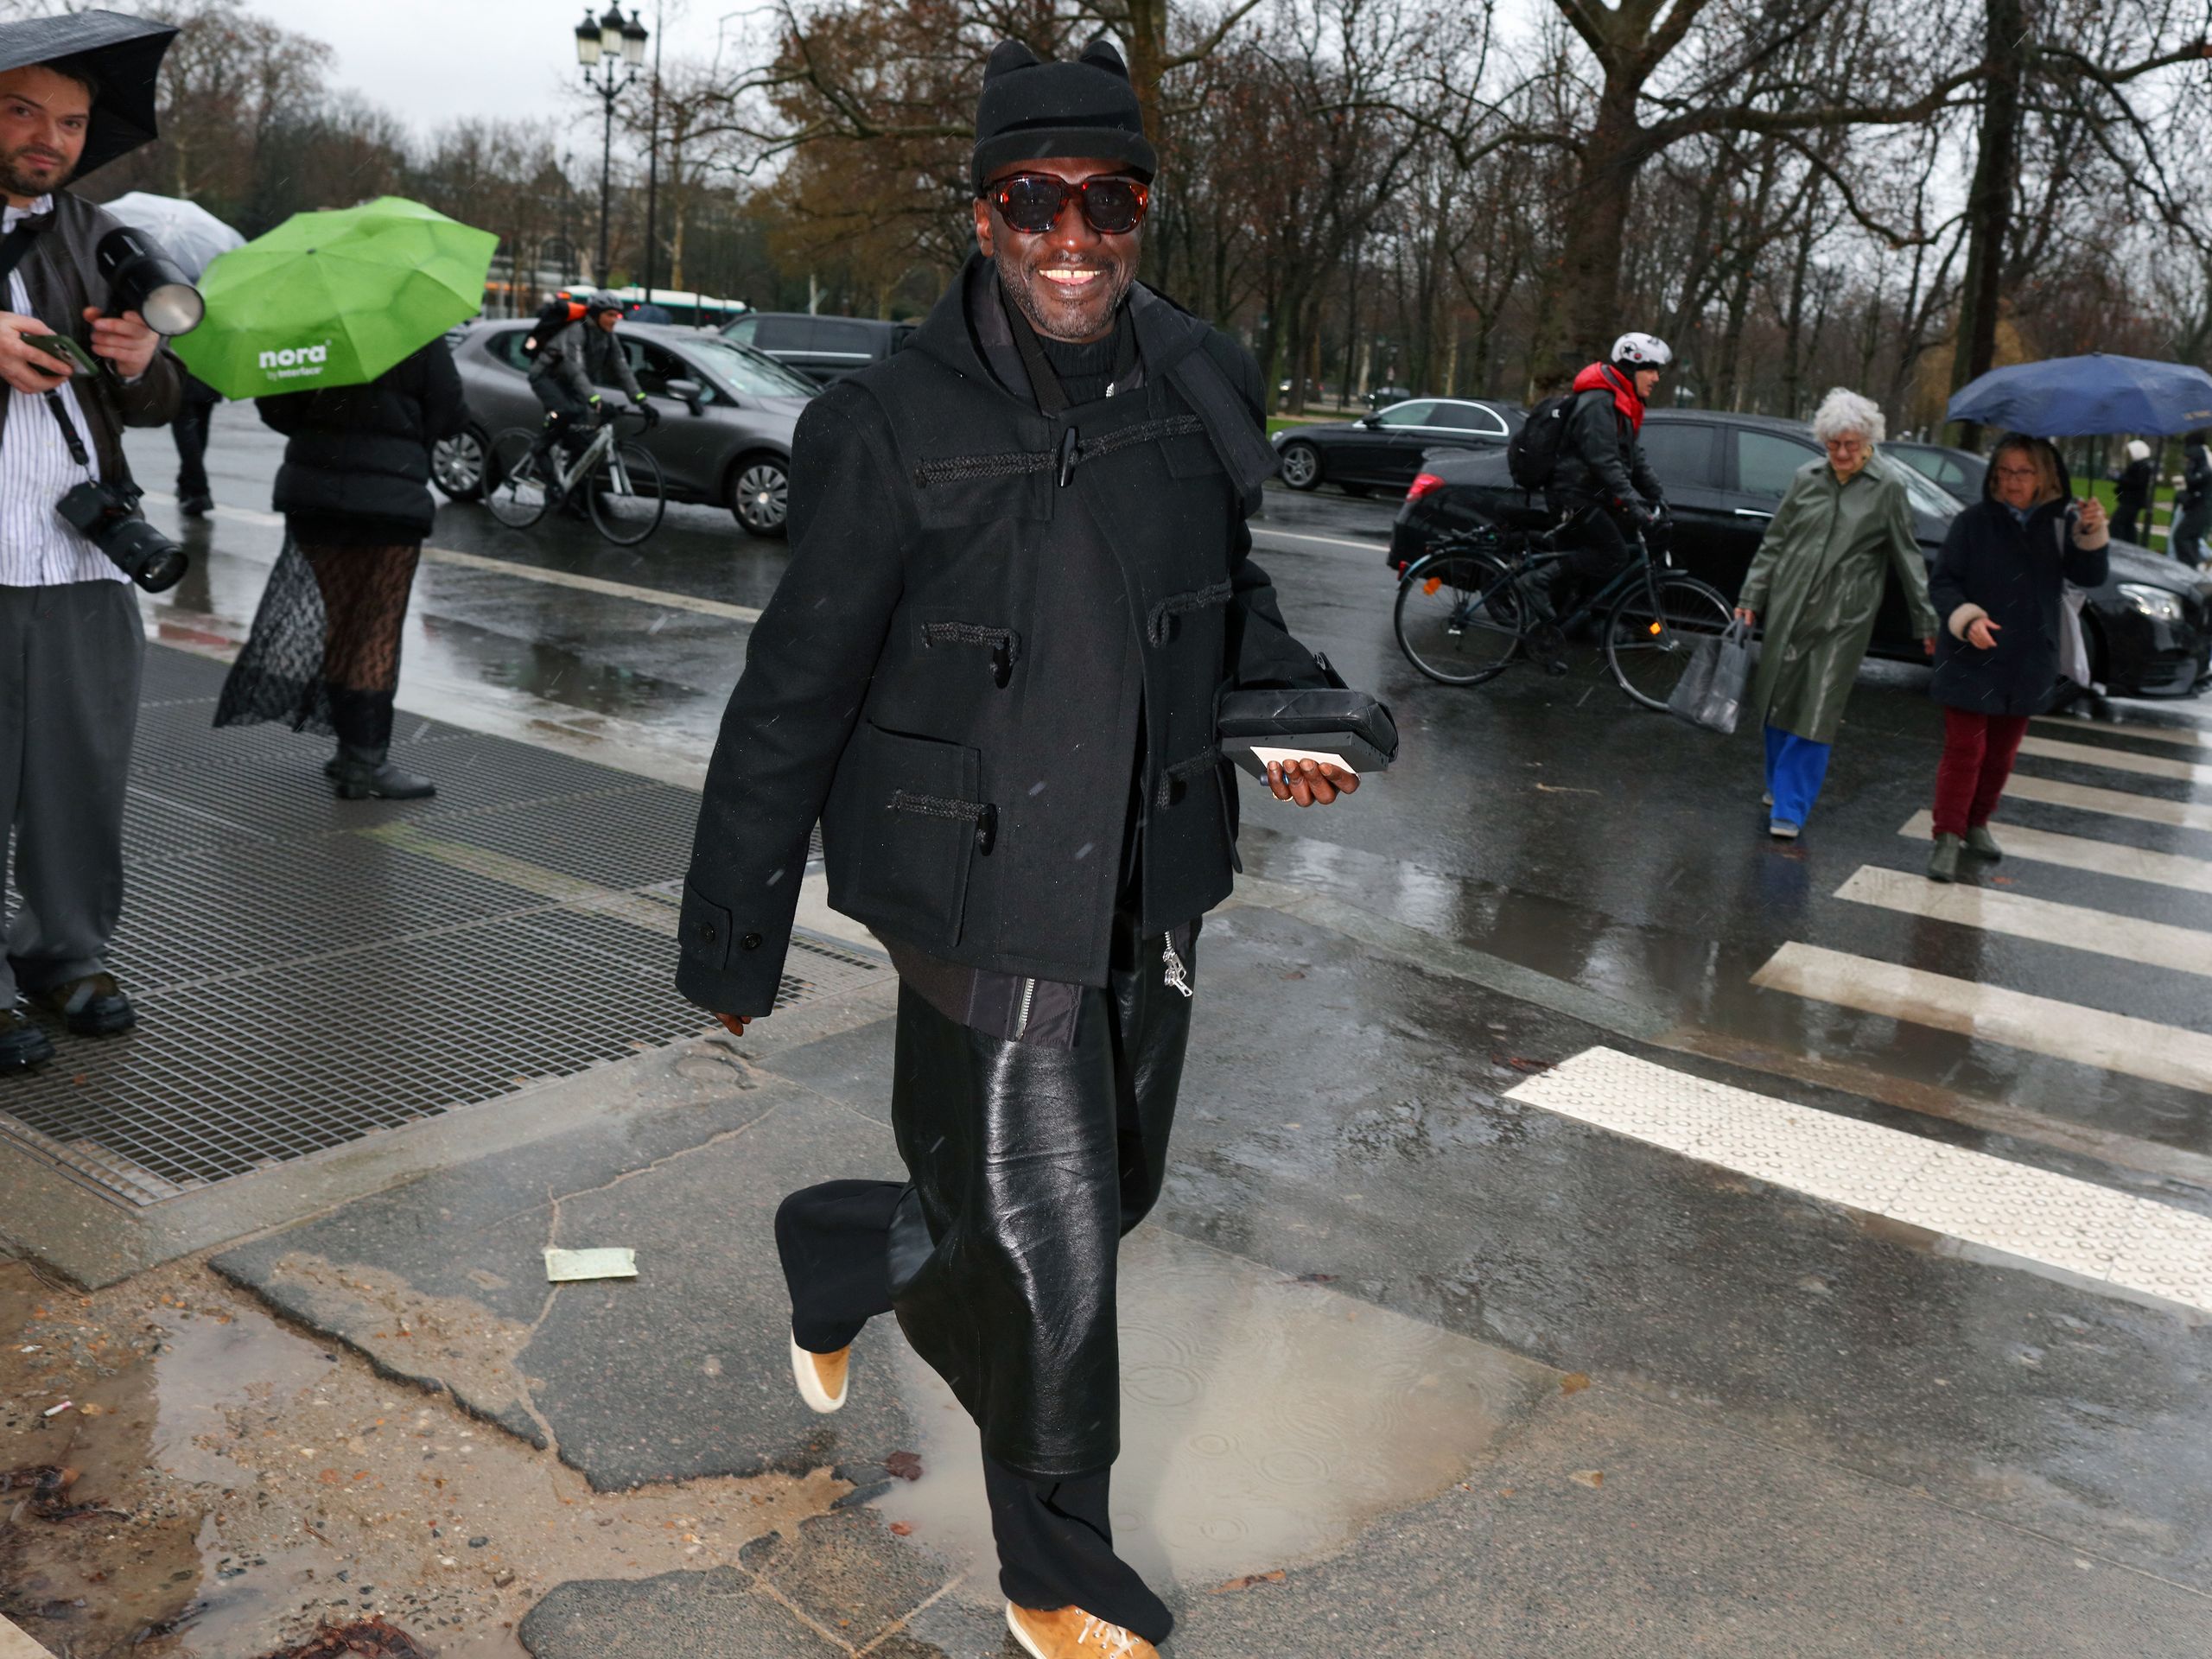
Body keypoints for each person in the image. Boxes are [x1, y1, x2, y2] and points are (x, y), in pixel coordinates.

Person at [675, 37, 1359, 1659]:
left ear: (1143, 212)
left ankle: (843, 1246)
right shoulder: (885, 421)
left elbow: (1228, 598)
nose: (1072, 237)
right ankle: (1056, 1569)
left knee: (1106, 1191)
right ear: (982, 214)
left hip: (1149, 863)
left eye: (1107, 201)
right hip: (974, 882)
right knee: (1054, 1251)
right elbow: (794, 691)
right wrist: (732, 938)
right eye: (1034, 199)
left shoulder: (1200, 376)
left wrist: (1291, 709)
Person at [0, 30, 182, 1069]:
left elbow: (158, 402)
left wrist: (143, 357)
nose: (51, 139)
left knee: (80, 777)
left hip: (80, 556)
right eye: (24, 111)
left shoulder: (101, 234)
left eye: (70, 122)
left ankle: (66, 956)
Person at [215, 339, 467, 799]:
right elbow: (450, 413)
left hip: (314, 494)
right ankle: (364, 760)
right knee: (375, 629)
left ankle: (352, 752)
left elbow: (278, 411)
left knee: (341, 619)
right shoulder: (414, 331)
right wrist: (405, 435)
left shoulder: (309, 331)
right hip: (389, 500)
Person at [1732, 389, 1936, 841]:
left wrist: (1925, 620)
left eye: (1851, 445)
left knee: (1817, 706)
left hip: (1845, 615)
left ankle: (1791, 807)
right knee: (1778, 697)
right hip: (1790, 604)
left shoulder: (1888, 487)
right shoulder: (1806, 478)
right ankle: (1778, 784)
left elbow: (1908, 556)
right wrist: (1751, 596)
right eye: (1833, 444)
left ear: (1868, 441)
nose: (1842, 453)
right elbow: (1775, 541)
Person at [1925, 435, 2108, 882]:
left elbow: (2091, 576)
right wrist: (1967, 618)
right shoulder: (1972, 522)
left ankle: (1977, 823)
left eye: (2023, 472)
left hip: (2027, 657)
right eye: (2004, 471)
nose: (2012, 481)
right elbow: (1943, 582)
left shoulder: (2061, 524)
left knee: (2000, 754)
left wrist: (2091, 533)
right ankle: (1947, 835)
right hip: (1970, 653)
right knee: (1965, 750)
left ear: (2043, 476)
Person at [1528, 330, 1671, 626]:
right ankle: (1536, 582)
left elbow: (1633, 458)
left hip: (1589, 493)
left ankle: (1550, 632)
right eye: (1650, 370)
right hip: (1573, 495)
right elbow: (1604, 461)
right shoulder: (1599, 403)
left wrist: (1657, 495)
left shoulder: (1620, 402)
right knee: (1613, 554)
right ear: (1630, 367)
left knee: (1580, 570)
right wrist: (1633, 505)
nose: (1656, 378)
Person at [526, 289, 654, 492]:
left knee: (583, 444)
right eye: (609, 315)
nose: (614, 320)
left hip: (570, 384)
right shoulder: (577, 330)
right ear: (595, 314)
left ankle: (565, 493)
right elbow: (576, 370)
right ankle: (540, 449)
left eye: (617, 315)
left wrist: (642, 402)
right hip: (546, 376)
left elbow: (622, 370)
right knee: (565, 411)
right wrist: (596, 401)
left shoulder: (608, 337)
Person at [170, 367, 219, 516]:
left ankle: (198, 490)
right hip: (211, 373)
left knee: (187, 430)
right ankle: (188, 482)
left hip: (182, 373)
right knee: (199, 429)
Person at [2171, 429, 2210, 566]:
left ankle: (2189, 567)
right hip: (2197, 507)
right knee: (2191, 539)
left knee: (2181, 537)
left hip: (2200, 507)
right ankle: (2191, 568)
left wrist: (2189, 468)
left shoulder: (2200, 458)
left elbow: (2193, 480)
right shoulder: (2201, 458)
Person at [2111, 437, 2153, 546]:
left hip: (2131, 500)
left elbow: (2137, 482)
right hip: (2134, 500)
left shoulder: (2141, 465)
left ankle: (2117, 544)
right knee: (2129, 524)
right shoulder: (2142, 465)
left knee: (2117, 522)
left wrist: (2120, 478)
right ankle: (2130, 544)